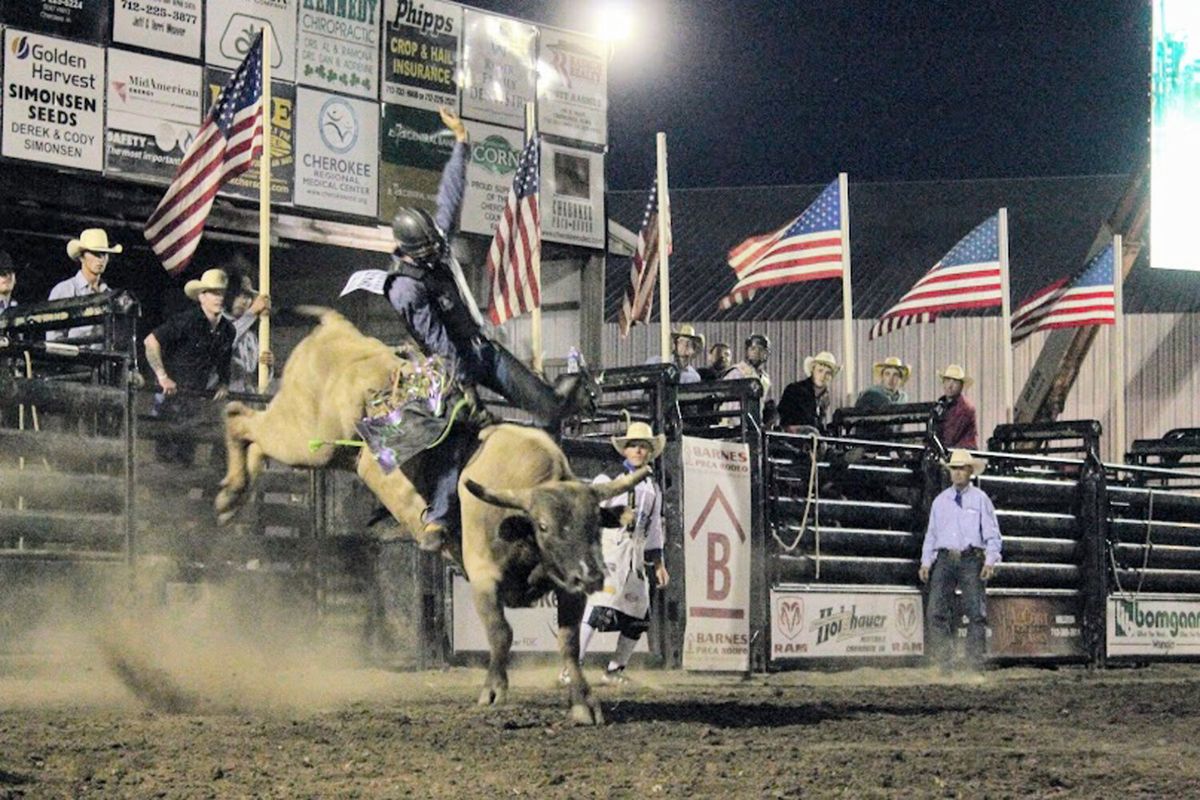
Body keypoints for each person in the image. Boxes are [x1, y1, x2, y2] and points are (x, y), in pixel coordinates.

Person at [384, 107, 585, 545]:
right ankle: (439, 516)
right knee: (455, 432)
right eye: (429, 251)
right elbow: (436, 341)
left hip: (479, 346)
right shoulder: (404, 289)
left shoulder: (431, 245)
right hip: (444, 366)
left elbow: (450, 196)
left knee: (548, 405)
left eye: (438, 245)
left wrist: (461, 144)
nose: (437, 253)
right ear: (408, 252)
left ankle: (545, 484)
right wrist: (465, 389)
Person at [577, 420, 669, 685]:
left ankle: (615, 669)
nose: (639, 451)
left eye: (643, 447)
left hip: (635, 555)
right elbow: (589, 512)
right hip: (610, 548)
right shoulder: (608, 479)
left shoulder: (653, 488)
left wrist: (659, 564)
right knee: (599, 607)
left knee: (639, 615)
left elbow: (653, 530)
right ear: (625, 451)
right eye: (634, 446)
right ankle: (573, 665)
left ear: (650, 453)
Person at [919, 449, 1002, 672]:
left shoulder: (980, 500)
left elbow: (992, 535)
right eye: (954, 469)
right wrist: (926, 562)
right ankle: (944, 664)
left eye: (961, 469)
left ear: (969, 472)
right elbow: (932, 535)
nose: (957, 473)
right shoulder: (940, 501)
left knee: (976, 613)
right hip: (945, 557)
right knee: (936, 611)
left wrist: (990, 561)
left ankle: (973, 665)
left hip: (971, 558)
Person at [143, 269, 235, 465]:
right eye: (212, 293)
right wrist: (162, 376)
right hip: (171, 400)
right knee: (167, 457)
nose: (218, 298)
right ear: (201, 296)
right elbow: (151, 341)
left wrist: (224, 383)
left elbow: (224, 360)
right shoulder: (186, 321)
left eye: (221, 293)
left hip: (194, 402)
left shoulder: (228, 330)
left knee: (187, 456)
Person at [47, 228, 122, 343]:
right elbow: (54, 338)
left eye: (104, 254)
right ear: (82, 257)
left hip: (104, 359)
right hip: (73, 359)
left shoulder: (109, 294)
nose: (100, 259)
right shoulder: (64, 290)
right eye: (95, 253)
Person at [225, 275, 273, 394]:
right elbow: (225, 341)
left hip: (246, 401)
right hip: (219, 402)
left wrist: (267, 366)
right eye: (237, 295)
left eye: (247, 296)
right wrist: (251, 313)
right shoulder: (216, 323)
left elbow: (258, 381)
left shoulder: (251, 337)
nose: (243, 301)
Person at [777, 351, 840, 433]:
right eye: (820, 371)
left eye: (828, 373)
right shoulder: (795, 390)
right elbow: (783, 421)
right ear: (812, 371)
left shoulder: (825, 398)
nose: (823, 376)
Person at [933, 364, 978, 448]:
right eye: (947, 380)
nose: (950, 385)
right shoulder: (940, 405)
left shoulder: (965, 408)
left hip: (962, 454)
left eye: (955, 381)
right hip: (947, 451)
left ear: (961, 386)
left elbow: (950, 436)